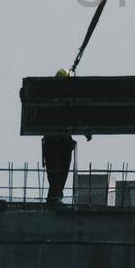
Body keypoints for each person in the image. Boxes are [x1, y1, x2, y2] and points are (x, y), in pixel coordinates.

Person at [42, 69, 90, 205]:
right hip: (59, 143)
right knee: (58, 173)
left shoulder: (48, 96)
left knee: (54, 174)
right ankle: (55, 196)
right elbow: (75, 117)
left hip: (53, 142)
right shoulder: (65, 98)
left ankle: (55, 196)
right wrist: (86, 132)